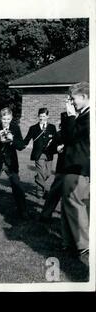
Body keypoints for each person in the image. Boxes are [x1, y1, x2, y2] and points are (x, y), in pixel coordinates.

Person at [60, 82, 90, 257]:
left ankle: (83, 243)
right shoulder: (82, 115)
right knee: (68, 205)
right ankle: (69, 242)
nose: (71, 102)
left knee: (75, 204)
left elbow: (71, 138)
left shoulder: (88, 117)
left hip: (78, 167)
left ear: (85, 97)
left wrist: (70, 116)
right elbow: (66, 136)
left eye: (73, 98)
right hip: (72, 166)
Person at [0, 107, 28, 219]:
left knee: (16, 185)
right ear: (0, 118)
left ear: (11, 118)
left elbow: (21, 146)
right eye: (4, 119)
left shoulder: (15, 128)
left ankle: (23, 211)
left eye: (8, 119)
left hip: (11, 161)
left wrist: (12, 139)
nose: (6, 121)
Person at [23, 108, 57, 198]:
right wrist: (20, 144)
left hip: (49, 154)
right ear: (38, 116)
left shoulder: (52, 127)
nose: (42, 118)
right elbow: (26, 139)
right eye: (40, 116)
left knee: (48, 173)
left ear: (47, 116)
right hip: (38, 154)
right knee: (41, 172)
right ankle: (41, 192)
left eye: (44, 116)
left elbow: (56, 139)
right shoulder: (33, 128)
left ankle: (38, 179)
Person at [40, 118, 66, 222]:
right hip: (62, 168)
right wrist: (57, 148)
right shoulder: (59, 134)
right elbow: (49, 149)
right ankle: (45, 215)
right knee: (54, 192)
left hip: (78, 170)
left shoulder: (82, 132)